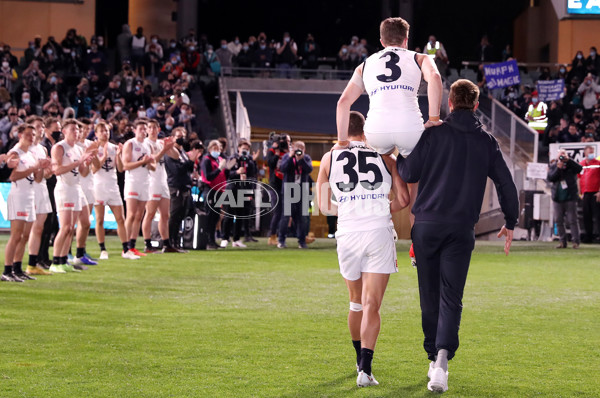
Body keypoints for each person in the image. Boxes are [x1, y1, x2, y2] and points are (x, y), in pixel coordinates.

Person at [396, 79, 519, 393]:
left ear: (449, 103)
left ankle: (432, 356)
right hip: (461, 229)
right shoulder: (486, 141)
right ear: (476, 105)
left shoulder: (433, 134)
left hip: (426, 227)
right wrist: (511, 220)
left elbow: (409, 174)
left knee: (429, 295)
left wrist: (399, 152)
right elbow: (506, 183)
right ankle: (441, 360)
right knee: (452, 297)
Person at [317, 111, 409, 387]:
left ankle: (358, 359)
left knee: (355, 302)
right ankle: (365, 370)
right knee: (372, 304)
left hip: (347, 232)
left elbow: (323, 207)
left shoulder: (329, 157)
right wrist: (377, 206)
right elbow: (403, 199)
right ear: (366, 130)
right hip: (378, 231)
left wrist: (349, 209)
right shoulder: (385, 157)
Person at [336, 17, 443, 157]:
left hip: (377, 130)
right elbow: (435, 77)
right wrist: (434, 119)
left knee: (384, 160)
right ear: (406, 40)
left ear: (382, 42)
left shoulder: (364, 65)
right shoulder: (420, 58)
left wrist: (342, 143)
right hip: (409, 127)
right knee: (412, 170)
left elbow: (343, 102)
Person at [50, 119, 95, 274]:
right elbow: (56, 170)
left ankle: (64, 260)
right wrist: (78, 163)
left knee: (72, 227)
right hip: (65, 188)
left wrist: (86, 162)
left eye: (78, 130)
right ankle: (55, 261)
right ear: (64, 131)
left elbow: (82, 172)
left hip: (76, 188)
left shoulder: (77, 149)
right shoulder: (59, 147)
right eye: (73, 129)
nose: (77, 132)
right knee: (65, 227)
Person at [2, 125, 45, 282]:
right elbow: (12, 176)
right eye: (28, 134)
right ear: (20, 135)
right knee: (16, 235)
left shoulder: (31, 154)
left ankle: (17, 268)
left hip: (30, 196)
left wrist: (40, 168)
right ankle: (7, 270)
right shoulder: (15, 152)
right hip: (19, 196)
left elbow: (38, 178)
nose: (31, 137)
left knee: (25, 235)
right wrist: (34, 168)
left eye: (33, 134)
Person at [91, 122, 137, 260]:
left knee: (120, 219)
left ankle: (125, 249)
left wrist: (118, 155)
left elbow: (121, 168)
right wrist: (104, 156)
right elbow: (93, 169)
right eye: (102, 131)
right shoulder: (93, 148)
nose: (105, 133)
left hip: (113, 186)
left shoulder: (114, 147)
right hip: (98, 186)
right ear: (96, 134)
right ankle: (103, 249)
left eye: (107, 131)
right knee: (99, 219)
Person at [141, 120, 179, 253]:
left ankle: (166, 244)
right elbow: (153, 160)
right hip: (151, 181)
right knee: (150, 213)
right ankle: (147, 244)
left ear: (158, 129)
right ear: (146, 130)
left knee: (165, 214)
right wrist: (164, 150)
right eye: (149, 128)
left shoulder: (160, 142)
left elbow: (176, 156)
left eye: (154, 127)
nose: (152, 130)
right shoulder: (145, 144)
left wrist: (171, 146)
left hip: (163, 181)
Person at [122, 119, 155, 257]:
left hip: (145, 182)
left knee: (139, 215)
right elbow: (126, 165)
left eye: (145, 128)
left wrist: (147, 162)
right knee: (131, 214)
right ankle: (125, 247)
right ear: (135, 130)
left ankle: (132, 245)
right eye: (140, 128)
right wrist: (143, 161)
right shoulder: (130, 143)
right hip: (133, 182)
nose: (143, 131)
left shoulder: (149, 146)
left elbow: (153, 167)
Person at [24, 116, 53, 276]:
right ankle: (19, 264)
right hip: (30, 190)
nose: (40, 129)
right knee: (28, 230)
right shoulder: (25, 149)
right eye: (37, 127)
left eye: (42, 126)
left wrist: (48, 170)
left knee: (40, 228)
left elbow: (45, 175)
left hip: (42, 189)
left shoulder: (42, 149)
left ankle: (33, 263)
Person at [220, 139, 257, 248]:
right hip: (232, 189)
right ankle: (225, 238)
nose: (245, 151)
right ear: (239, 148)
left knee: (241, 216)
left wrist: (251, 191)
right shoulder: (232, 159)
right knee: (229, 215)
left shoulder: (250, 162)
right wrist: (237, 172)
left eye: (247, 149)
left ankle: (236, 239)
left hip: (244, 191)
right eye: (243, 148)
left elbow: (253, 177)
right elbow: (226, 173)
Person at [201, 140, 235, 249]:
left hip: (219, 190)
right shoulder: (206, 160)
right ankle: (207, 240)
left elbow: (224, 176)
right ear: (210, 149)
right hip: (210, 190)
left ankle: (212, 240)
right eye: (215, 149)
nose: (217, 151)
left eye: (219, 149)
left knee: (216, 217)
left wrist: (227, 169)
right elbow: (208, 177)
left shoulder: (220, 159)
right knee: (210, 216)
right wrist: (220, 168)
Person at [277, 141, 312, 249]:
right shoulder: (287, 157)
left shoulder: (306, 158)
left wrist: (300, 159)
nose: (299, 150)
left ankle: (302, 241)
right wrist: (290, 157)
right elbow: (282, 168)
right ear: (292, 148)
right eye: (297, 148)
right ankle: (281, 240)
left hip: (302, 191)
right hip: (289, 190)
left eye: (301, 148)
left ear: (304, 149)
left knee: (302, 217)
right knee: (286, 216)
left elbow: (309, 169)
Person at [548, 149, 583, 249]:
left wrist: (569, 161)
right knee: (558, 220)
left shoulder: (571, 165)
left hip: (570, 197)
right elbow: (550, 177)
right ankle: (563, 242)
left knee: (572, 220)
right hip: (557, 198)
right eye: (560, 155)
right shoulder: (554, 166)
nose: (562, 157)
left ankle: (576, 242)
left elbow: (579, 169)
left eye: (563, 155)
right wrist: (558, 169)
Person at [579, 145, 600, 243]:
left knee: (598, 216)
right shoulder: (581, 164)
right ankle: (589, 236)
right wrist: (581, 193)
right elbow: (579, 179)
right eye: (590, 152)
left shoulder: (598, 163)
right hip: (586, 193)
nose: (591, 154)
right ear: (585, 153)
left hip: (596, 192)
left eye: (592, 152)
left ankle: (598, 235)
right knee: (586, 216)